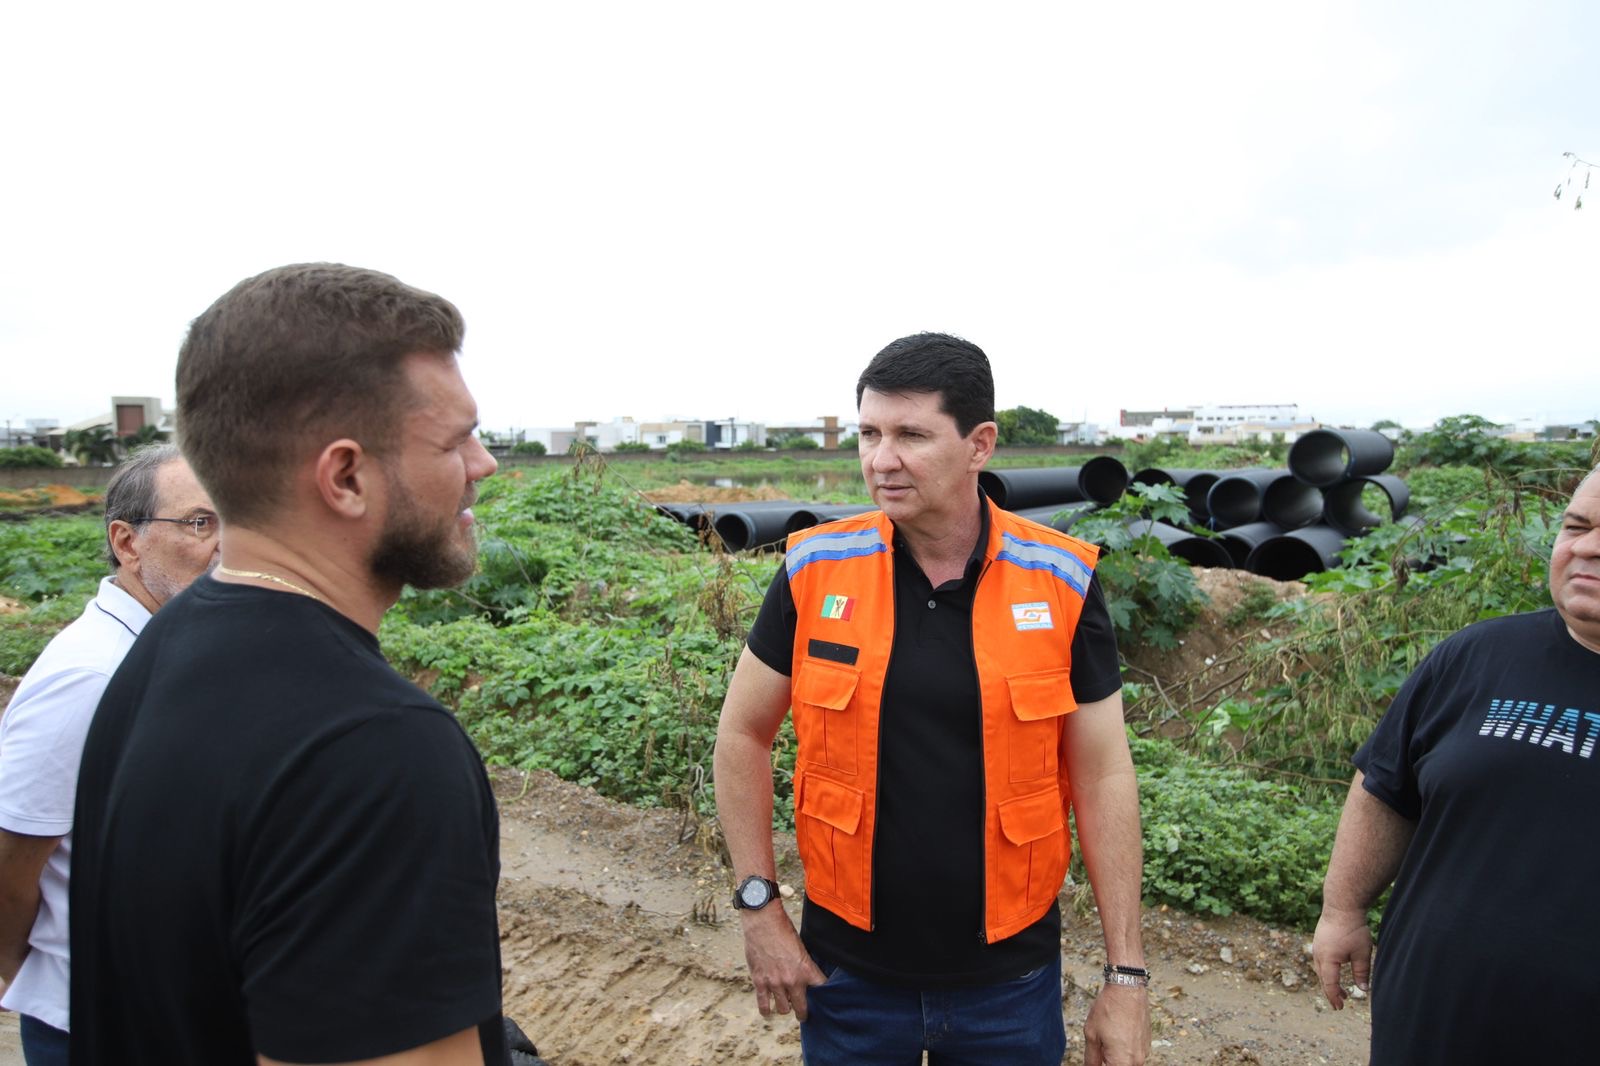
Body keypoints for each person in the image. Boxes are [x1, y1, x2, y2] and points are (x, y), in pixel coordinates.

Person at [69, 263, 506, 1065]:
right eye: (454, 440)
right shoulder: (373, 748)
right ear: (344, 476)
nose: (484, 464)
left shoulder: (161, 649)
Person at [713, 333, 1150, 1066]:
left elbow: (1105, 775)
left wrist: (1126, 977)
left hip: (1009, 985)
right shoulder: (814, 570)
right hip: (846, 978)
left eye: (911, 435)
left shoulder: (1060, 582)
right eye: (870, 433)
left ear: (979, 444)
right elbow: (741, 737)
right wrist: (760, 909)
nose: (882, 459)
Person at [1312, 465, 1600, 1064]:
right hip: (1429, 1023)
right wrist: (1342, 909)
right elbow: (1384, 787)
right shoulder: (1477, 654)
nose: (1587, 548)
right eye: (1576, 525)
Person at [0, 444, 218, 1066]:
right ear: (128, 542)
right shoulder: (89, 676)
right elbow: (12, 858)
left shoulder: (162, 649)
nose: (223, 544)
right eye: (200, 523)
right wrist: (29, 967)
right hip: (98, 1023)